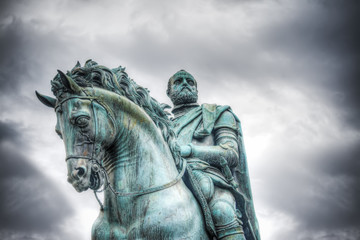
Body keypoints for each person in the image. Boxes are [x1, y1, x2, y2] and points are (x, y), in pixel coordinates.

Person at [167, 70, 260, 240]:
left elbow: (230, 154)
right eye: (178, 81)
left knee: (223, 211)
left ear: (196, 90)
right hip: (168, 182)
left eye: (190, 82)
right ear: (169, 92)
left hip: (211, 182)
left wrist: (190, 150)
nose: (185, 84)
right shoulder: (162, 125)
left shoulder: (218, 113)